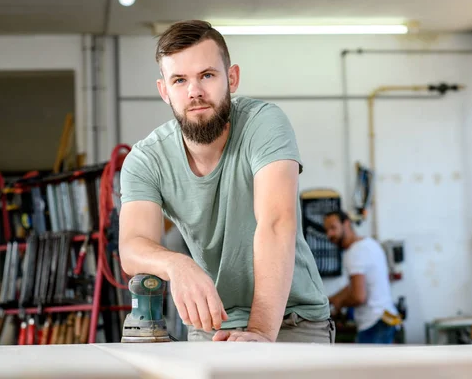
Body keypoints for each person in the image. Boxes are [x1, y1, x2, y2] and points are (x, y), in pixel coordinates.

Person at [117, 20, 334, 343]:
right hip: (213, 327)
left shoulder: (264, 124)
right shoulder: (146, 160)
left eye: (207, 75)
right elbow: (132, 247)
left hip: (293, 319)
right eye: (179, 80)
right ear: (164, 91)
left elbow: (276, 223)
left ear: (231, 78)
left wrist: (260, 331)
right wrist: (177, 265)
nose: (195, 91)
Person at [323, 210, 398, 344]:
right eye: (327, 230)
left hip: (374, 324)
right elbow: (355, 284)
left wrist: (340, 303)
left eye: (333, 228)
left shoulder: (354, 253)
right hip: (386, 318)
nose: (329, 234)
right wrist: (331, 299)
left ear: (346, 224)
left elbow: (358, 296)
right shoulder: (369, 244)